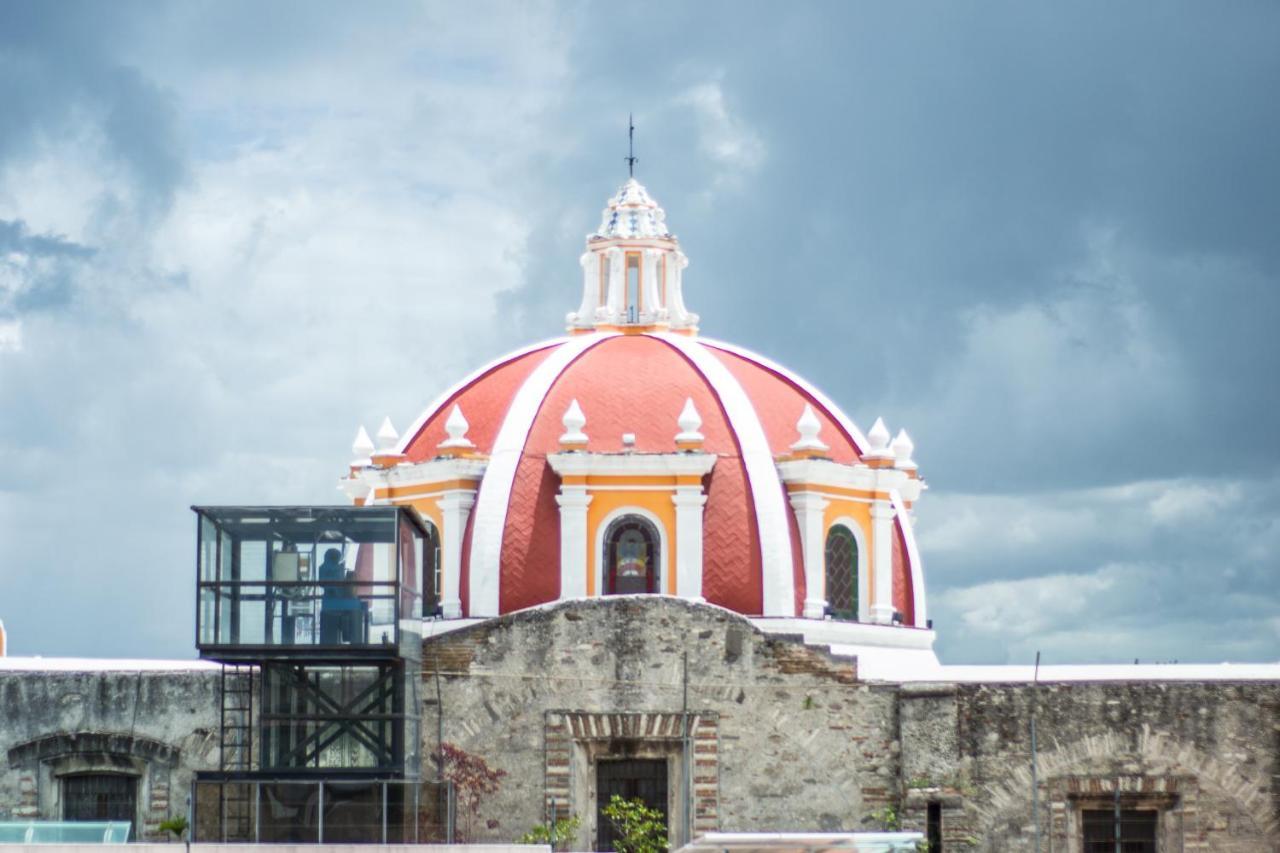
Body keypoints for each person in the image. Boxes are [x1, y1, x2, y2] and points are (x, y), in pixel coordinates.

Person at [318, 548, 363, 643]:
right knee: (354, 616)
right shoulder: (334, 568)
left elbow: (323, 583)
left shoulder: (324, 567)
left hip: (330, 603)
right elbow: (327, 582)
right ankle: (356, 645)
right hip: (332, 602)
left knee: (329, 638)